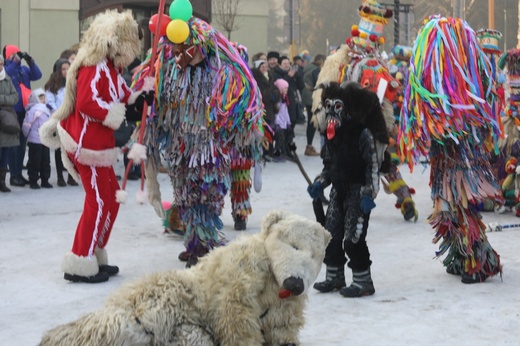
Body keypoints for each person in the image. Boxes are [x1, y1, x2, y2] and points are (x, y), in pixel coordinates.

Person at [142, 16, 264, 267]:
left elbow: (244, 97)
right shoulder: (170, 72)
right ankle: (195, 243)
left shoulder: (221, 72)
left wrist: (227, 125)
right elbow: (156, 105)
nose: (180, 55)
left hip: (209, 151)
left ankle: (205, 247)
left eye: (185, 48)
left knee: (206, 199)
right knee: (185, 198)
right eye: (175, 49)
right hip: (180, 150)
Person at [40, 10, 149, 283]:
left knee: (111, 199)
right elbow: (87, 103)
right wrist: (112, 113)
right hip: (85, 144)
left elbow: (126, 98)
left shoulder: (113, 70)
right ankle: (79, 259)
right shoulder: (93, 66)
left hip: (101, 147)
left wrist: (142, 97)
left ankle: (94, 251)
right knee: (99, 201)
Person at [400, 15, 502, 283]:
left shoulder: (472, 76)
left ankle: (480, 261)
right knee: (445, 208)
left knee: (461, 206)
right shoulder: (430, 77)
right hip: (444, 158)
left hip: (464, 159)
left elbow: (482, 111)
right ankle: (460, 256)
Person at [308, 81, 389, 298]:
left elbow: (372, 166)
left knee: (354, 236)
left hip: (358, 191)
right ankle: (335, 277)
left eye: (338, 106)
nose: (332, 111)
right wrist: (320, 183)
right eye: (328, 106)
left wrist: (369, 193)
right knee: (331, 234)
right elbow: (328, 166)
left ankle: (363, 281)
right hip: (338, 190)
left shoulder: (362, 134)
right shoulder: (330, 135)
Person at [3, 44, 42, 187]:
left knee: (21, 145)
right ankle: (13, 175)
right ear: (8, 57)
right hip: (12, 111)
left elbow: (38, 75)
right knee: (13, 145)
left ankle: (19, 173)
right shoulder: (6, 69)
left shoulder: (23, 70)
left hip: (25, 110)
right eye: (14, 55)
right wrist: (14, 62)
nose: (17, 57)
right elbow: (6, 74)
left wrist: (31, 62)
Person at [45, 58, 77, 187]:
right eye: (63, 69)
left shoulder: (74, 83)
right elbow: (50, 103)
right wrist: (62, 112)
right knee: (60, 150)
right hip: (60, 119)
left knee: (71, 148)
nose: (66, 71)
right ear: (58, 71)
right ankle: (60, 176)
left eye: (68, 68)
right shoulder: (52, 86)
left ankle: (71, 176)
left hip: (72, 120)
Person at [22, 88, 52, 189]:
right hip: (35, 140)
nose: (43, 100)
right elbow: (27, 125)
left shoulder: (47, 109)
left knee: (45, 160)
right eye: (40, 98)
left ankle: (44, 179)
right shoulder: (34, 110)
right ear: (35, 99)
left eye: (44, 97)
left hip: (44, 140)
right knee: (35, 161)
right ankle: (34, 180)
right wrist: (28, 135)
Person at [251, 59, 280, 161]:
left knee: (269, 132)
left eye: (265, 66)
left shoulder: (270, 78)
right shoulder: (257, 80)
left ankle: (268, 152)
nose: (264, 68)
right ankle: (262, 153)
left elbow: (276, 92)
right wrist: (272, 94)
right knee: (261, 132)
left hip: (270, 111)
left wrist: (274, 95)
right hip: (261, 111)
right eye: (262, 66)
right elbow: (264, 95)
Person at [273, 56, 305, 148]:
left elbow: (301, 86)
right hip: (282, 104)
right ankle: (281, 148)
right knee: (283, 127)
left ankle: (288, 146)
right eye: (284, 63)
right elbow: (281, 86)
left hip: (292, 102)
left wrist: (297, 76)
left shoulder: (293, 73)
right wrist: (289, 76)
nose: (287, 65)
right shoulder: (276, 74)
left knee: (292, 123)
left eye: (288, 63)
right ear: (279, 64)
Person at [0, 55, 20, 193]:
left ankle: (2, 181)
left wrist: (1, 99)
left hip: (6, 120)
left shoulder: (7, 79)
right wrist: (6, 100)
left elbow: (15, 97)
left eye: (1, 63)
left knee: (5, 152)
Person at [301, 54, 325, 156]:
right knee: (314, 122)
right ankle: (309, 147)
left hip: (306, 95)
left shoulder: (308, 67)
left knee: (311, 122)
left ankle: (309, 146)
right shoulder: (315, 70)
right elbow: (317, 83)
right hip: (312, 96)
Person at [273, 78, 292, 159]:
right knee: (279, 139)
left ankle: (282, 152)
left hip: (284, 123)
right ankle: (277, 154)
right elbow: (277, 113)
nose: (286, 90)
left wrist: (288, 122)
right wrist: (277, 123)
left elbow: (286, 112)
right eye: (285, 88)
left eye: (287, 88)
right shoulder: (278, 99)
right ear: (280, 88)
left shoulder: (285, 98)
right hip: (279, 123)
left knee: (283, 139)